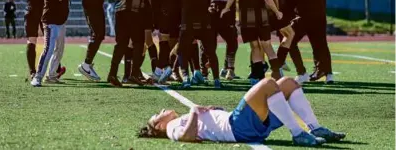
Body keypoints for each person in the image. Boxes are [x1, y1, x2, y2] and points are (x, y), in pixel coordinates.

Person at [138, 77, 345, 146]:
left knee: (288, 84)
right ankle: (298, 134)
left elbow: (203, 127)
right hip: (237, 128)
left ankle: (315, 129)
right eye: (158, 115)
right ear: (159, 126)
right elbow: (186, 137)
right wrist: (194, 111)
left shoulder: (175, 121)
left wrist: (211, 111)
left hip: (244, 126)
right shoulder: (171, 129)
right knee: (267, 84)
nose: (162, 110)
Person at [222, 0, 283, 81]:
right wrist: (277, 12)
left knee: (254, 45)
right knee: (266, 44)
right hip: (261, 14)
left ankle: (257, 76)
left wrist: (226, 8)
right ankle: (277, 72)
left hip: (246, 15)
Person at [30, 0, 94, 87]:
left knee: (59, 50)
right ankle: (37, 77)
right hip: (50, 23)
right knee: (48, 50)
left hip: (61, 22)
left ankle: (52, 75)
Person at [175, 0, 221, 88]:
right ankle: (217, 80)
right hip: (204, 21)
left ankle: (186, 79)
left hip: (187, 21)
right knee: (210, 52)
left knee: (182, 51)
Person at [107, 0, 148, 87]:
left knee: (121, 44)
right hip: (133, 9)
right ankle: (133, 73)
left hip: (119, 9)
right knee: (138, 42)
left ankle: (112, 73)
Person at [25, 0, 67, 82]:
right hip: (45, 11)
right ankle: (55, 69)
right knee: (50, 42)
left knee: (31, 41)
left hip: (31, 10)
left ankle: (32, 71)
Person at [276, 0, 310, 85]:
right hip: (283, 13)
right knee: (288, 41)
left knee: (291, 41)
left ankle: (298, 71)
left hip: (297, 14)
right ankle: (282, 68)